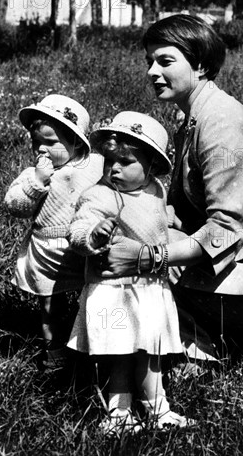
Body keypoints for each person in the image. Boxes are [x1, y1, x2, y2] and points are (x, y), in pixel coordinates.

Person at [102, 14, 243, 362]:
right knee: (122, 229)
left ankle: (194, 350)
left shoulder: (222, 121)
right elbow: (183, 211)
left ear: (201, 65)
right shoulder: (194, 116)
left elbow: (226, 231)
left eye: (165, 61)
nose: (151, 72)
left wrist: (147, 257)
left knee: (131, 249)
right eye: (149, 62)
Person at [67, 111, 192, 435]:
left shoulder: (155, 189)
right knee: (119, 352)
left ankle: (157, 408)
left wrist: (169, 218)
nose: (114, 169)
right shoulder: (100, 194)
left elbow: (153, 214)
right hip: (114, 290)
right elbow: (78, 228)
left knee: (151, 350)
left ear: (151, 166)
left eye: (125, 162)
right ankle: (118, 412)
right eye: (109, 162)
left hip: (151, 287)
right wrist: (92, 234)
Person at [4, 94, 103, 369]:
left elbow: (115, 181)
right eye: (37, 142)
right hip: (47, 248)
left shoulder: (93, 165)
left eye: (50, 142)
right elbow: (14, 205)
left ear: (76, 141)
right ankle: (54, 352)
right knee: (50, 304)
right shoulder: (32, 174)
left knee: (92, 296)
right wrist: (36, 182)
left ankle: (91, 347)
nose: (42, 150)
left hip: (83, 244)